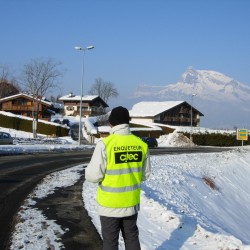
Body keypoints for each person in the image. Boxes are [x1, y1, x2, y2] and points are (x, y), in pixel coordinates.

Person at [85, 106, 151, 250]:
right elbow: (145, 175)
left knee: (110, 242)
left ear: (111, 123)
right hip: (131, 203)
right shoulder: (141, 145)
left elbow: (92, 176)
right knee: (132, 237)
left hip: (109, 205)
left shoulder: (105, 145)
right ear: (128, 122)